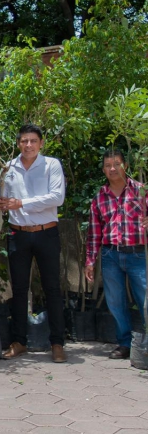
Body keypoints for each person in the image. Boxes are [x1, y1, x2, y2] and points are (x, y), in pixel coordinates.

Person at [0, 123, 66, 363]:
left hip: (47, 233)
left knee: (52, 289)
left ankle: (57, 343)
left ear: (41, 143)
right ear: (18, 143)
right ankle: (19, 341)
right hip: (18, 234)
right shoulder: (9, 167)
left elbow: (57, 197)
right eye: (24, 141)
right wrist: (0, 203)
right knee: (19, 289)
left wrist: (21, 203)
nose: (28, 145)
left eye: (33, 141)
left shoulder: (51, 165)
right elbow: (2, 196)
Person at [85, 149, 147, 359]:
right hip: (111, 255)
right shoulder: (100, 197)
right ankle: (125, 343)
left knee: (145, 301)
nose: (113, 168)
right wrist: (90, 261)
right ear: (103, 169)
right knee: (115, 302)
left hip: (139, 255)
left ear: (125, 166)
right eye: (108, 165)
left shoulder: (141, 191)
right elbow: (94, 233)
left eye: (117, 164)